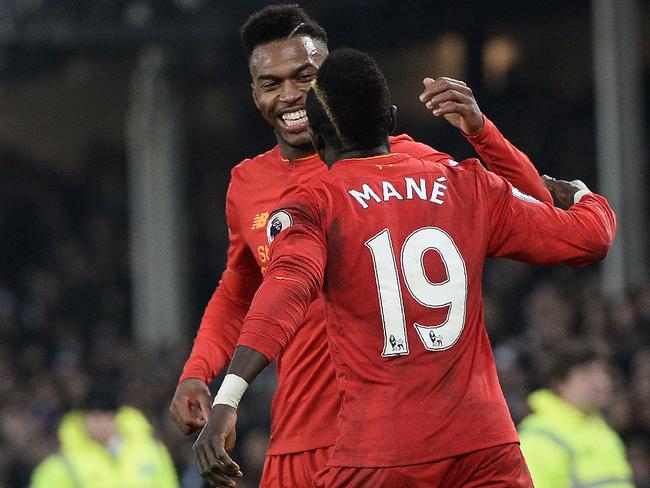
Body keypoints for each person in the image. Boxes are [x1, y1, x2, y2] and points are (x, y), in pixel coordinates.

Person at [192, 48, 616, 487]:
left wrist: (229, 398)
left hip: (382, 453)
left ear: (317, 141)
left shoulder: (313, 207)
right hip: (483, 447)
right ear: (392, 120)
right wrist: (582, 195)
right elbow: (589, 239)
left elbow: (283, 295)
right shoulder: (465, 184)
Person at [518, 342, 634, 487]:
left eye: (603, 372)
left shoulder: (600, 428)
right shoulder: (538, 436)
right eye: (587, 373)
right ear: (560, 382)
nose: (602, 381)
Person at [30, 380, 179, 488]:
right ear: (83, 418)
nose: (100, 422)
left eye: (106, 414)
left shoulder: (152, 452)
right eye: (94, 415)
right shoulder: (63, 464)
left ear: (117, 416)